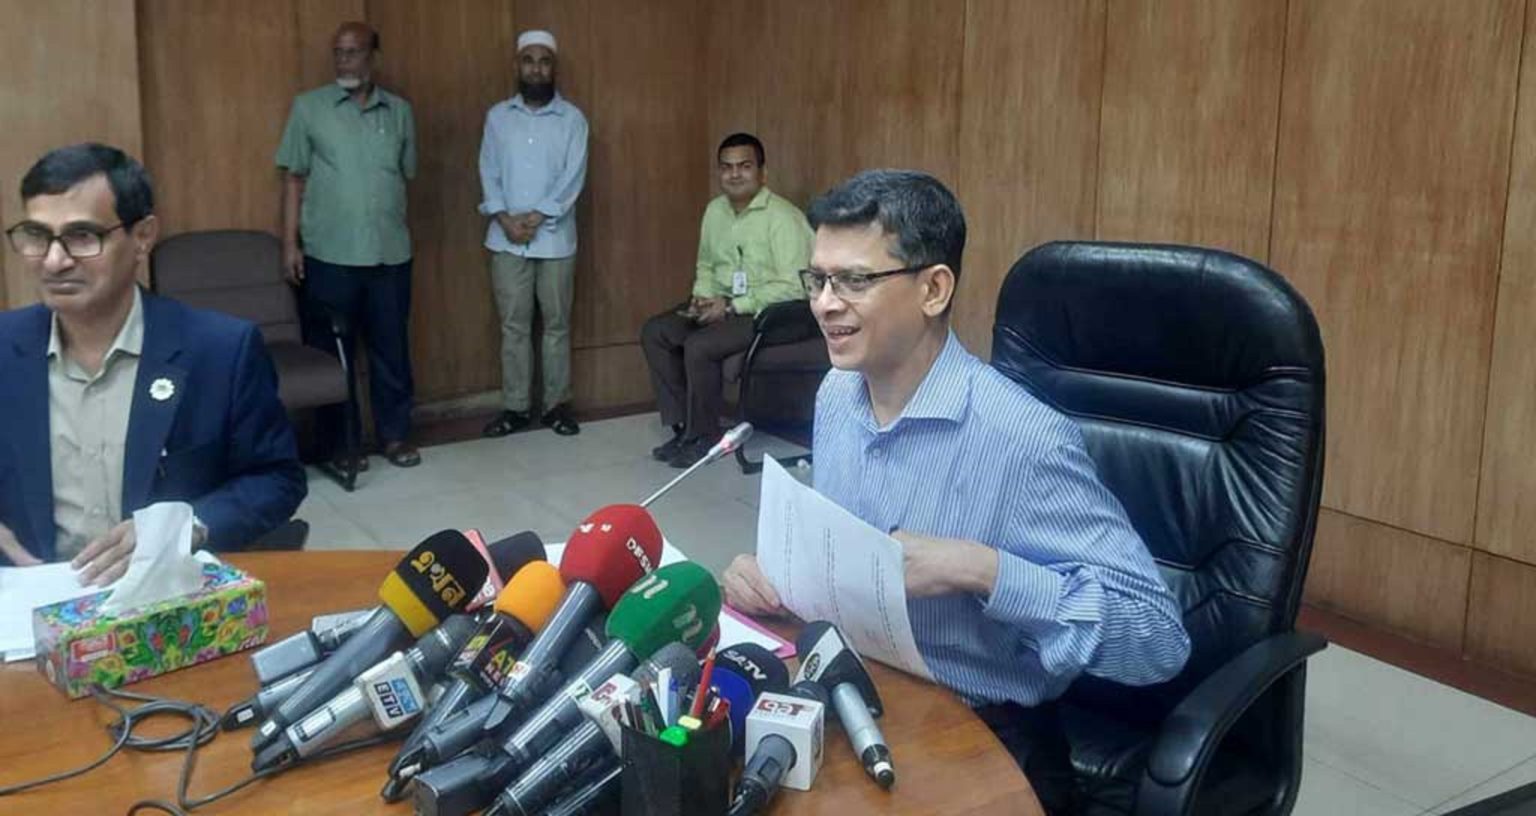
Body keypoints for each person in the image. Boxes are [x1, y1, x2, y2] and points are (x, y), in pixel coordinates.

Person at [721, 170, 1189, 814]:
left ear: (934, 289)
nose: (825, 304)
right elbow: (846, 558)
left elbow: (1158, 640)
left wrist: (984, 569)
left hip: (981, 729)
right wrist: (772, 574)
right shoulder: (838, 394)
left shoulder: (1024, 439)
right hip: (859, 691)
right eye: (818, 279)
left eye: (854, 280)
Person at [0, 143, 306, 582]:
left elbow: (276, 479)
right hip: (32, 599)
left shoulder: (220, 351)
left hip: (166, 596)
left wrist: (185, 528)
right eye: (36, 236)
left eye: (82, 236)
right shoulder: (5, 348)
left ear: (142, 236)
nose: (54, 260)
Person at [276, 21, 421, 470]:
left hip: (389, 253)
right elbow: (293, 179)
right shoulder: (309, 108)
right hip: (329, 254)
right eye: (338, 52)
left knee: (391, 349)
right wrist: (290, 245)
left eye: (354, 52)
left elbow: (406, 173)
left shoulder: (399, 112)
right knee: (331, 353)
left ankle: (395, 436)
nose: (344, 61)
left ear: (373, 56)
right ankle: (343, 446)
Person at [640, 133, 813, 468]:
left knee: (700, 345)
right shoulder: (715, 211)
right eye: (727, 167)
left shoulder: (783, 217)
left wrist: (734, 306)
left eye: (744, 166)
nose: (735, 174)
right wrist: (703, 298)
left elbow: (795, 287)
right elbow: (706, 265)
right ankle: (686, 428)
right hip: (725, 303)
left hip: (775, 314)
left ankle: (705, 437)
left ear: (763, 173)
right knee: (657, 331)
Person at [478, 29, 589, 439]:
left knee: (557, 325)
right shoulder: (497, 117)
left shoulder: (572, 119)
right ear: (517, 66)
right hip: (505, 238)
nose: (536, 69)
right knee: (514, 327)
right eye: (529, 60)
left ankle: (557, 406)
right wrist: (505, 219)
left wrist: (538, 217)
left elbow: (572, 178)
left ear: (553, 68)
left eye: (544, 62)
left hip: (556, 240)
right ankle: (516, 408)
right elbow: (488, 170)